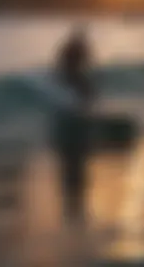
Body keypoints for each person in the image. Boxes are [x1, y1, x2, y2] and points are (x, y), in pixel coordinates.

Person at [51, 24, 96, 225]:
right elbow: (62, 63)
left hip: (71, 75)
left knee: (87, 91)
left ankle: (80, 112)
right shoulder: (71, 47)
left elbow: (86, 61)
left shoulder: (78, 46)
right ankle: (77, 112)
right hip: (68, 75)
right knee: (84, 90)